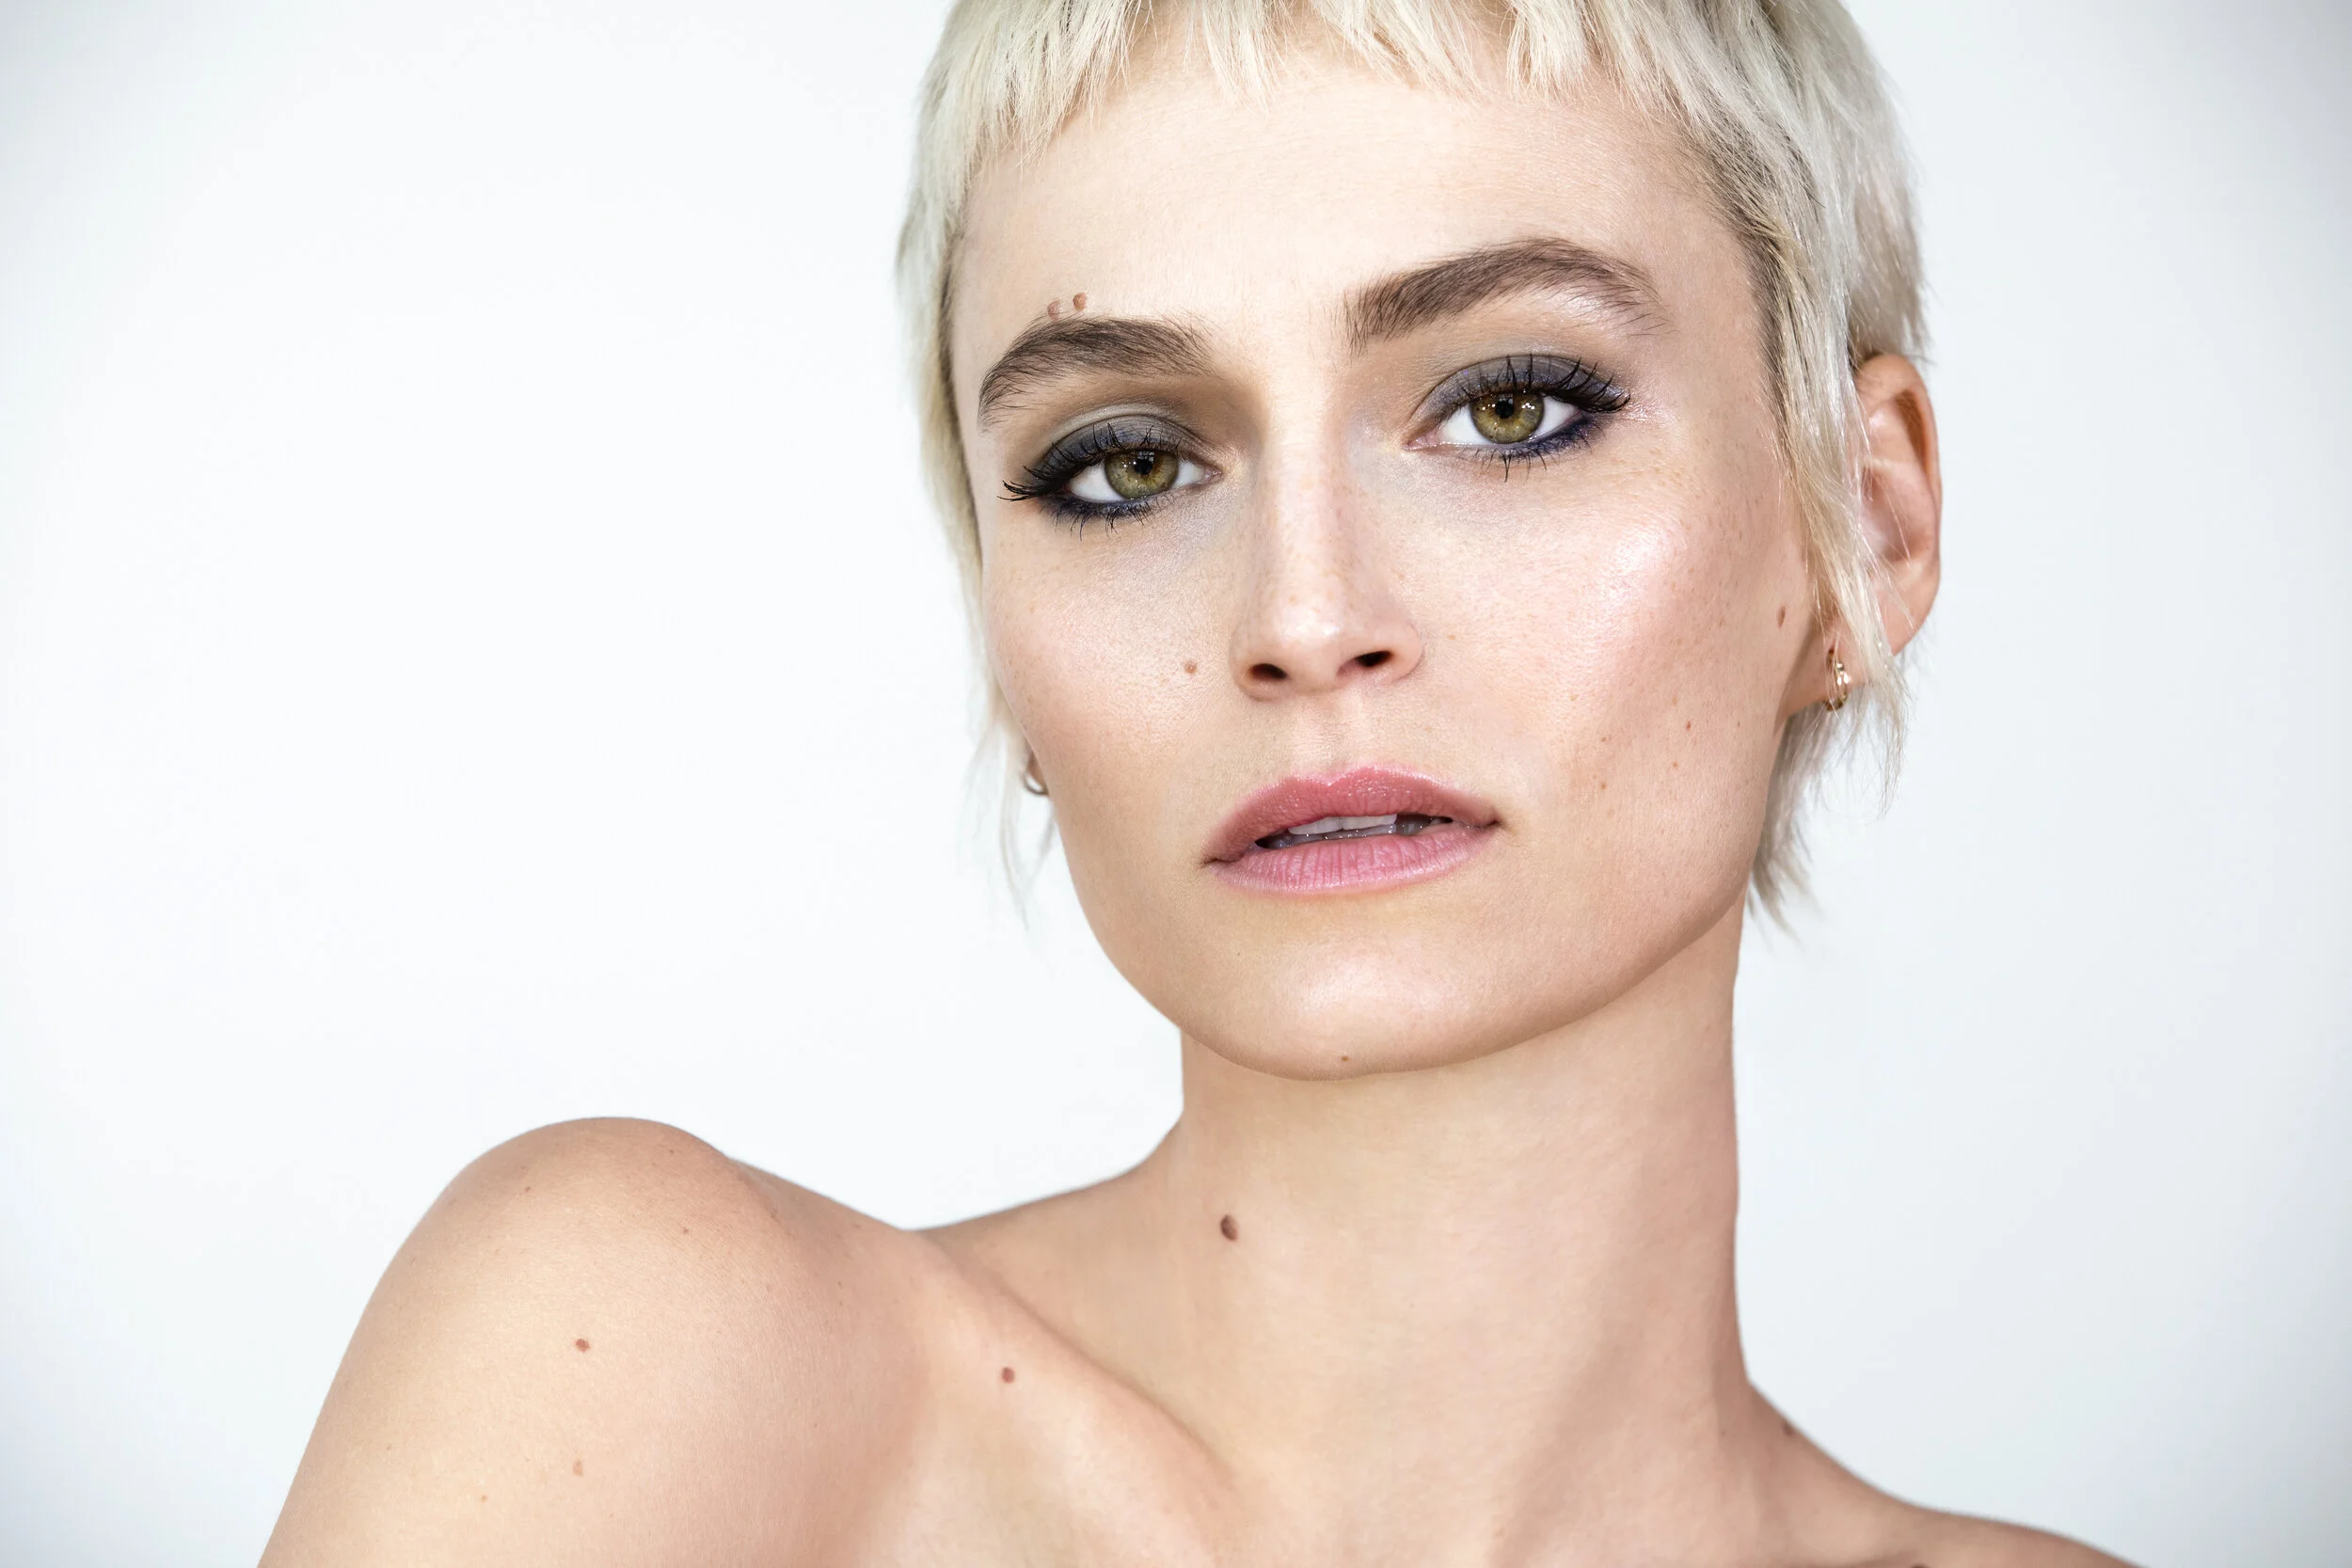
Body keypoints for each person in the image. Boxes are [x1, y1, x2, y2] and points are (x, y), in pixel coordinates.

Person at [263, 1, 2131, 1561]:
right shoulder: (654, 1367)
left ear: (1863, 525)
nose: (1303, 618)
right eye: (1129, 465)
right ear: (999, 625)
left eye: (1506, 406)